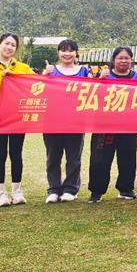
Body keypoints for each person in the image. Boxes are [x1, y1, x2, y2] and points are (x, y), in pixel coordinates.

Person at [0, 33, 36, 207]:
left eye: (13, 45)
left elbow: (37, 85)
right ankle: (0, 194)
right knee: (0, 155)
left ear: (16, 49)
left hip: (18, 119)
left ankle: (17, 192)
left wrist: (46, 74)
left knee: (16, 154)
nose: (9, 47)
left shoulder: (23, 68)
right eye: (6, 43)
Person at [88, 47, 137, 203]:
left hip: (129, 125)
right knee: (99, 159)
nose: (123, 61)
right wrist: (98, 80)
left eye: (126, 58)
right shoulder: (104, 75)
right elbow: (90, 93)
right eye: (120, 58)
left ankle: (126, 189)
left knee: (128, 158)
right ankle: (96, 192)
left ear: (131, 60)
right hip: (104, 126)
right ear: (113, 60)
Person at [41, 39, 89, 203]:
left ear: (76, 53)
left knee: (73, 157)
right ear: (58, 53)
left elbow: (94, 91)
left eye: (70, 50)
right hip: (52, 121)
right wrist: (44, 76)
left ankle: (70, 189)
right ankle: (54, 189)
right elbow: (39, 91)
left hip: (76, 122)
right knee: (53, 156)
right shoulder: (51, 71)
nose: (67, 54)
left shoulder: (84, 71)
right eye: (63, 50)